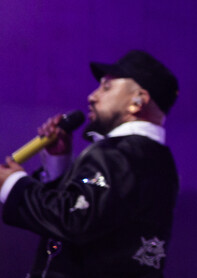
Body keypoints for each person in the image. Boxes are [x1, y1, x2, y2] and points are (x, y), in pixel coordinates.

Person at [1, 50, 180, 277]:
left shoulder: (117, 154)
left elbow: (75, 219)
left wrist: (14, 184)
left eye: (106, 87)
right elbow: (98, 219)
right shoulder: (159, 161)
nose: (92, 96)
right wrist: (59, 164)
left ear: (137, 101)